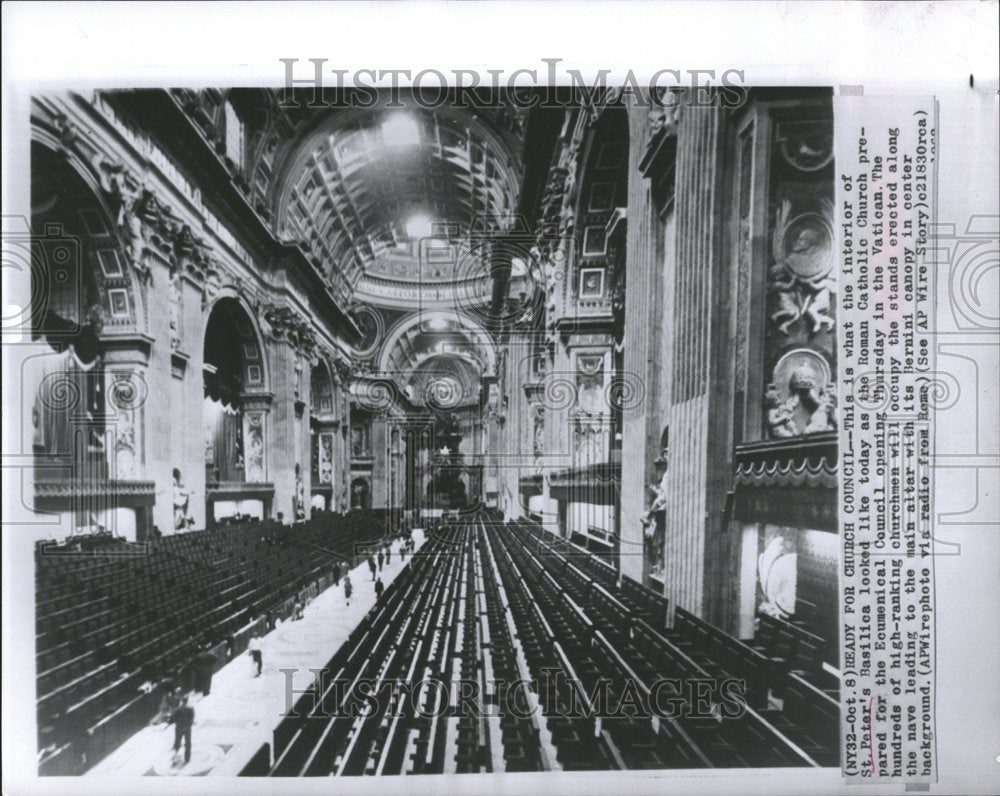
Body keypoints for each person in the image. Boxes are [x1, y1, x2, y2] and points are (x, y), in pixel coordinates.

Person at [170, 694, 195, 765]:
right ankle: (187, 758)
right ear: (187, 700)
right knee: (188, 743)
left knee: (177, 742)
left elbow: (172, 719)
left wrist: (177, 723)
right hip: (187, 728)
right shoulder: (190, 708)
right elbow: (192, 719)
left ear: (181, 701)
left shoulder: (177, 709)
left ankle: (175, 757)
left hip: (179, 728)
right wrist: (189, 725)